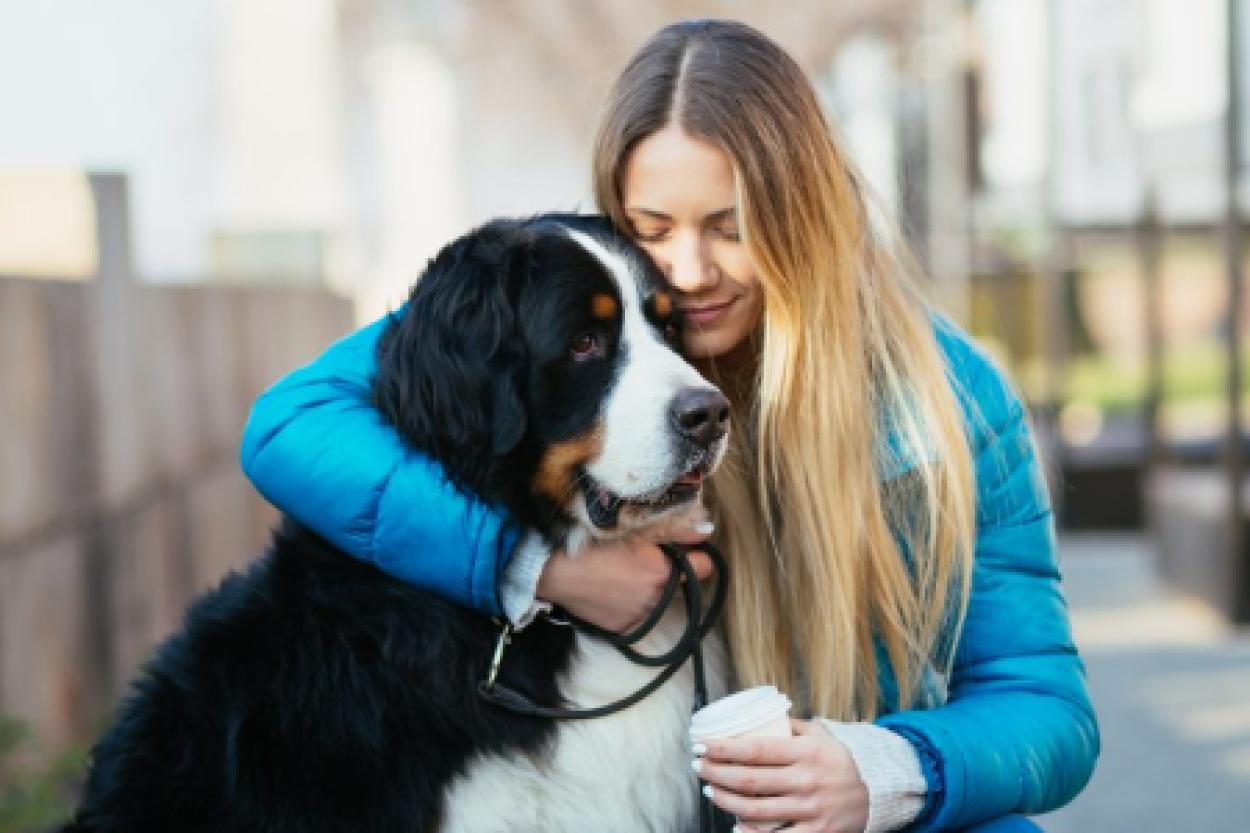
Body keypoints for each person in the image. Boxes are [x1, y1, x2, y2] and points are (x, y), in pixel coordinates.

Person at [240, 19, 1098, 833]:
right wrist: (535, 570)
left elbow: (1044, 702)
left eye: (732, 228)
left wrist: (891, 767)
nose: (689, 272)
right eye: (653, 229)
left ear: (801, 213)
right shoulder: (567, 309)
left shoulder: (949, 402)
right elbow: (289, 425)